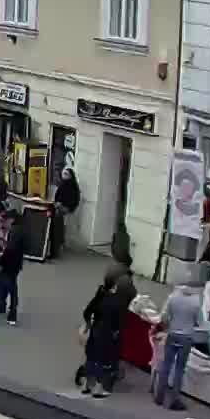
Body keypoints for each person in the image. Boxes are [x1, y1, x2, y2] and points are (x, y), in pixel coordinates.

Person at [80, 264, 135, 397]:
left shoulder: (102, 294)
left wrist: (87, 325)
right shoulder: (118, 300)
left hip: (96, 329)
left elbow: (89, 310)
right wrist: (116, 332)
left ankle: (87, 384)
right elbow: (120, 320)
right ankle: (99, 387)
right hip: (108, 333)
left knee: (91, 356)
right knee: (104, 360)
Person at [153, 279, 204, 411]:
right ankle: (175, 399)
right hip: (186, 337)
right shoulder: (196, 301)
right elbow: (200, 321)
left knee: (166, 365)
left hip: (172, 334)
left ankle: (159, 396)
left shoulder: (173, 297)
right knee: (179, 370)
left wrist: (169, 324)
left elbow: (164, 317)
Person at [0, 211, 26, 326]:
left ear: (10, 220)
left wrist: (0, 260)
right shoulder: (11, 230)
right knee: (9, 286)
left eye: (2, 220)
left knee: (5, 286)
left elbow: (9, 250)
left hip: (8, 263)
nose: (0, 223)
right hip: (11, 263)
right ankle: (7, 309)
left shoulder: (14, 232)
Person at [53, 166, 81, 257]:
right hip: (60, 206)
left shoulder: (72, 186)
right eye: (63, 173)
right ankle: (57, 241)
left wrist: (63, 205)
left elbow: (73, 199)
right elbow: (57, 196)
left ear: (71, 176)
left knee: (58, 219)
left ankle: (59, 241)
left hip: (66, 208)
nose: (63, 175)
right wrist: (57, 203)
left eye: (66, 174)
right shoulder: (62, 184)